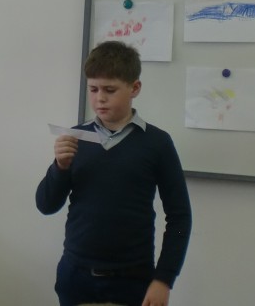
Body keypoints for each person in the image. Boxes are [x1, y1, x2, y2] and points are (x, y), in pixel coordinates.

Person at [36, 41, 192, 306]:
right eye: (93, 89)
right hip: (76, 276)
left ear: (135, 88)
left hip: (132, 280)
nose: (100, 98)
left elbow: (179, 216)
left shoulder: (157, 143)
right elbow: (46, 205)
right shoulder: (76, 138)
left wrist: (164, 279)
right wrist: (59, 168)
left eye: (109, 90)